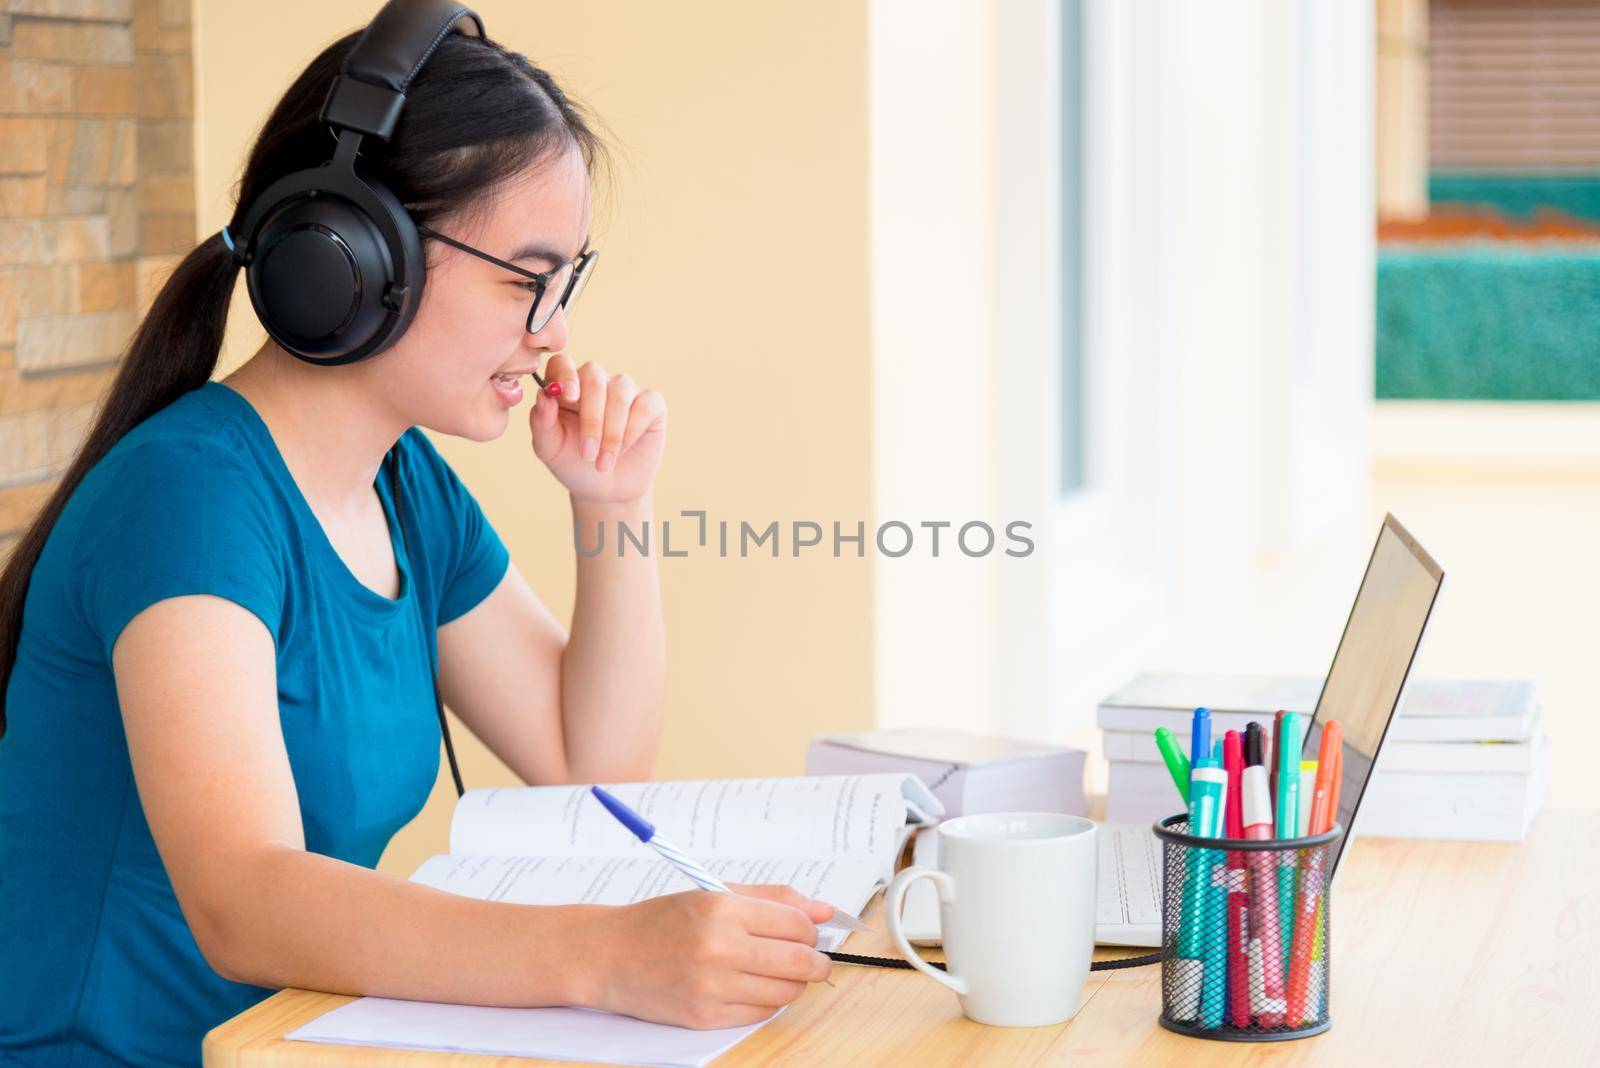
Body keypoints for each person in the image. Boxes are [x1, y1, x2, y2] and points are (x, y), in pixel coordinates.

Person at [0, 23, 833, 1066]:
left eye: (567, 280)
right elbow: (245, 900)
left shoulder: (405, 488)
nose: (554, 330)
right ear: (347, 257)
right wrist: (608, 956)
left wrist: (612, 504)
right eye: (526, 278)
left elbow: (595, 768)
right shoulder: (190, 498)